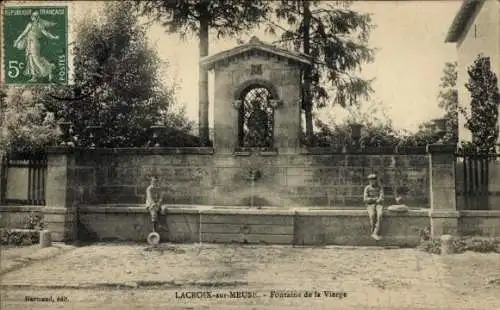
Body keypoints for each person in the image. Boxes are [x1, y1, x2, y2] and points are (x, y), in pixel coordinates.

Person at [13, 10, 59, 82]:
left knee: (36, 59)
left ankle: (49, 69)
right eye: (33, 16)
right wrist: (17, 41)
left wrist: (54, 37)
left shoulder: (40, 25)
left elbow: (46, 34)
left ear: (38, 17)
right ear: (31, 17)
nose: (35, 17)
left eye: (36, 16)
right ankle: (34, 77)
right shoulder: (30, 24)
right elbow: (23, 33)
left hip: (35, 44)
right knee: (30, 59)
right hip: (29, 44)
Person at [363, 173, 384, 240]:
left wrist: (379, 199)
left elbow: (381, 197)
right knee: (372, 215)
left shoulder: (380, 187)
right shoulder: (367, 188)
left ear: (376, 180)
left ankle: (376, 232)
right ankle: (373, 232)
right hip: (370, 205)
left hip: (378, 204)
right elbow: (365, 199)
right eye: (370, 180)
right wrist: (374, 199)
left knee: (380, 215)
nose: (372, 181)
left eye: (373, 180)